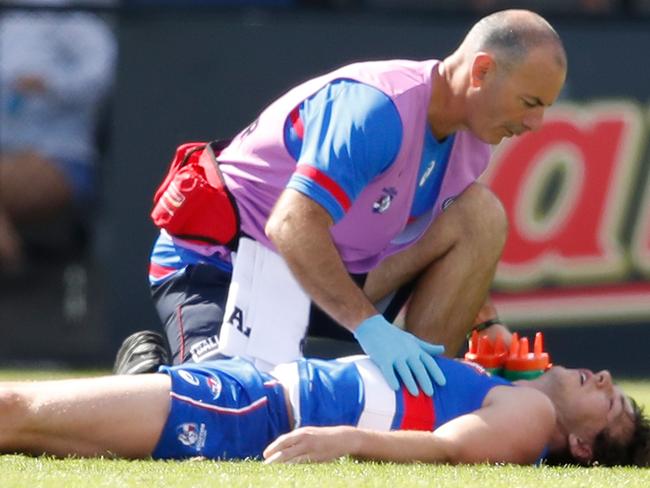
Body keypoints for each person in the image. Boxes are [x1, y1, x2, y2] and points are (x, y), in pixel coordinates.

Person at [116, 9, 567, 398]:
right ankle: (144, 371)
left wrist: (486, 325)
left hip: (323, 275)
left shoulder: (476, 142)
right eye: (530, 102)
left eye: (544, 107)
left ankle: (422, 397)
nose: (536, 123)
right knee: (231, 406)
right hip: (223, 264)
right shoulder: (378, 107)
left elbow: (436, 237)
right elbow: (290, 225)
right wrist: (370, 328)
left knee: (480, 215)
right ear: (482, 71)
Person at [2, 354, 648, 466]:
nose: (605, 379)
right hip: (252, 393)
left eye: (609, 401)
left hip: (252, 409)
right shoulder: (517, 393)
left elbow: (449, 448)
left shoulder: (532, 421)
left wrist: (348, 440)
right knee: (24, 430)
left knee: (14, 409)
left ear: (584, 448)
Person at [0, 0, 116, 275]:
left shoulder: (77, 24)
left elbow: (102, 76)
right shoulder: (10, 25)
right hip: (9, 155)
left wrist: (50, 84)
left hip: (63, 158)